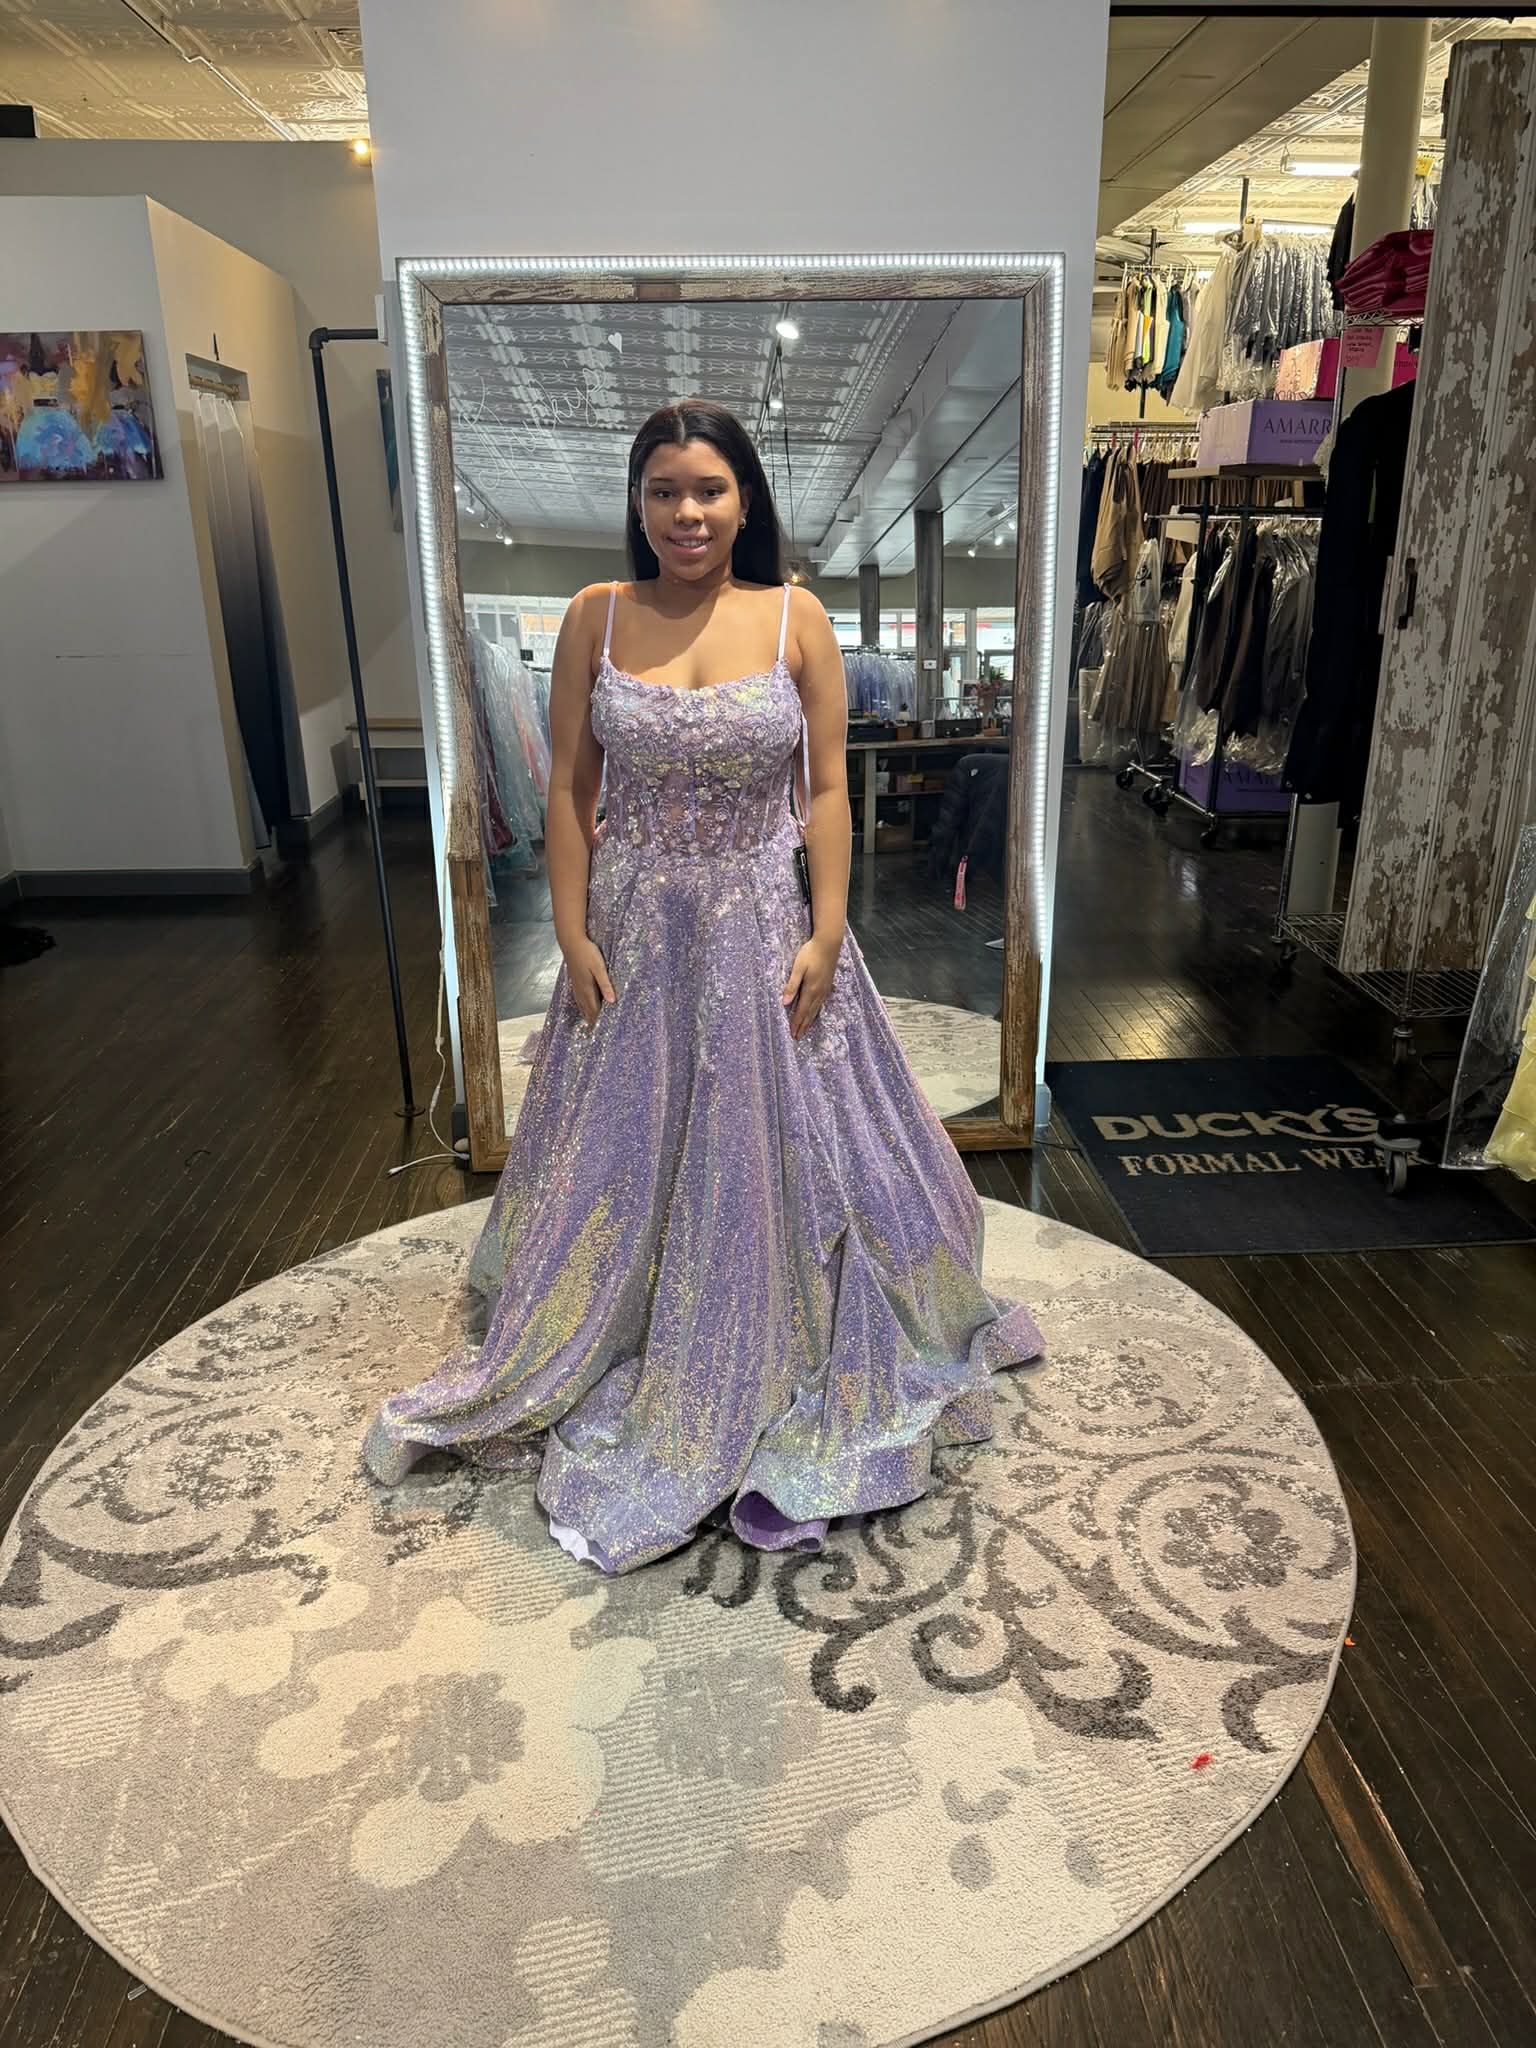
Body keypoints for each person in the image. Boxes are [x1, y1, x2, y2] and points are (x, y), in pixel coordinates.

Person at [361, 396, 1044, 1573]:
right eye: (664, 490)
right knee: (618, 1152)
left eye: (709, 489)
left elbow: (825, 788)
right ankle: (608, 1317)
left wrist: (828, 926)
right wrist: (568, 926)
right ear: (638, 503)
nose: (687, 511)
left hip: (759, 925)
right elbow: (569, 787)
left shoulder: (795, 617)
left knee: (787, 1149)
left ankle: (772, 1335)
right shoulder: (594, 614)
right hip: (634, 928)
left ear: (745, 499)